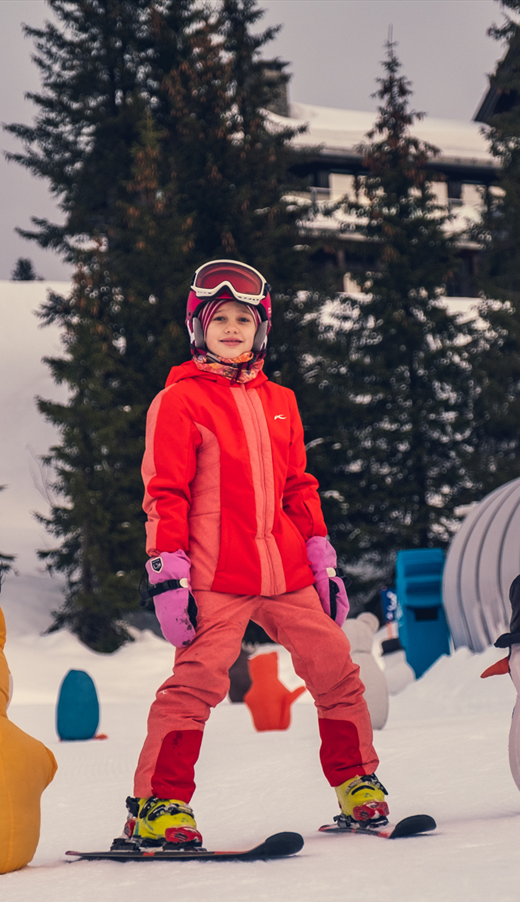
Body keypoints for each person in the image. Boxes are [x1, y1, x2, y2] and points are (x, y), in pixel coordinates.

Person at [124, 259, 386, 849]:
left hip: (285, 570)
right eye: (220, 319)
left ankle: (357, 782)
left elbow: (299, 487)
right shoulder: (179, 402)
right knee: (195, 685)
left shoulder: (282, 401)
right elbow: (165, 493)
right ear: (198, 327)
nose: (232, 329)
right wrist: (168, 575)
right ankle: (158, 804)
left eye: (244, 319)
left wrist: (322, 562)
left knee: (336, 669)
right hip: (216, 572)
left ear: (261, 329)